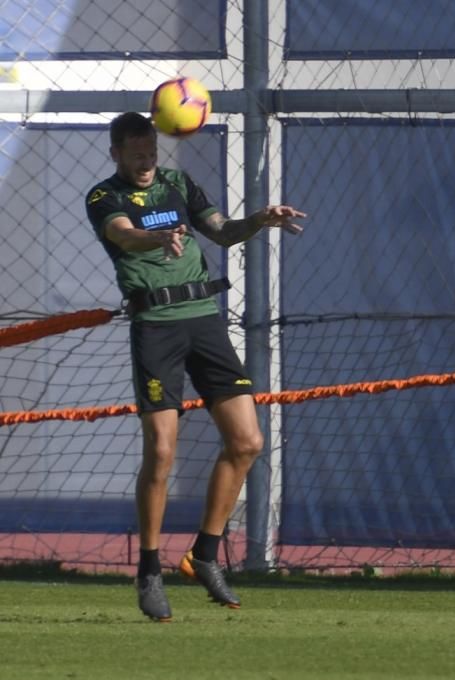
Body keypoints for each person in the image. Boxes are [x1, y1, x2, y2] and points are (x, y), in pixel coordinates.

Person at [85, 111, 306, 622]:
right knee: (161, 452)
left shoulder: (177, 183)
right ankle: (148, 570)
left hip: (204, 323)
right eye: (136, 155)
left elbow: (223, 232)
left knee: (248, 441)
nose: (146, 163)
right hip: (156, 329)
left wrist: (260, 219)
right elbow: (122, 236)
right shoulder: (105, 197)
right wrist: (155, 238)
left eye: (151, 154)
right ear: (115, 152)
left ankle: (203, 556)